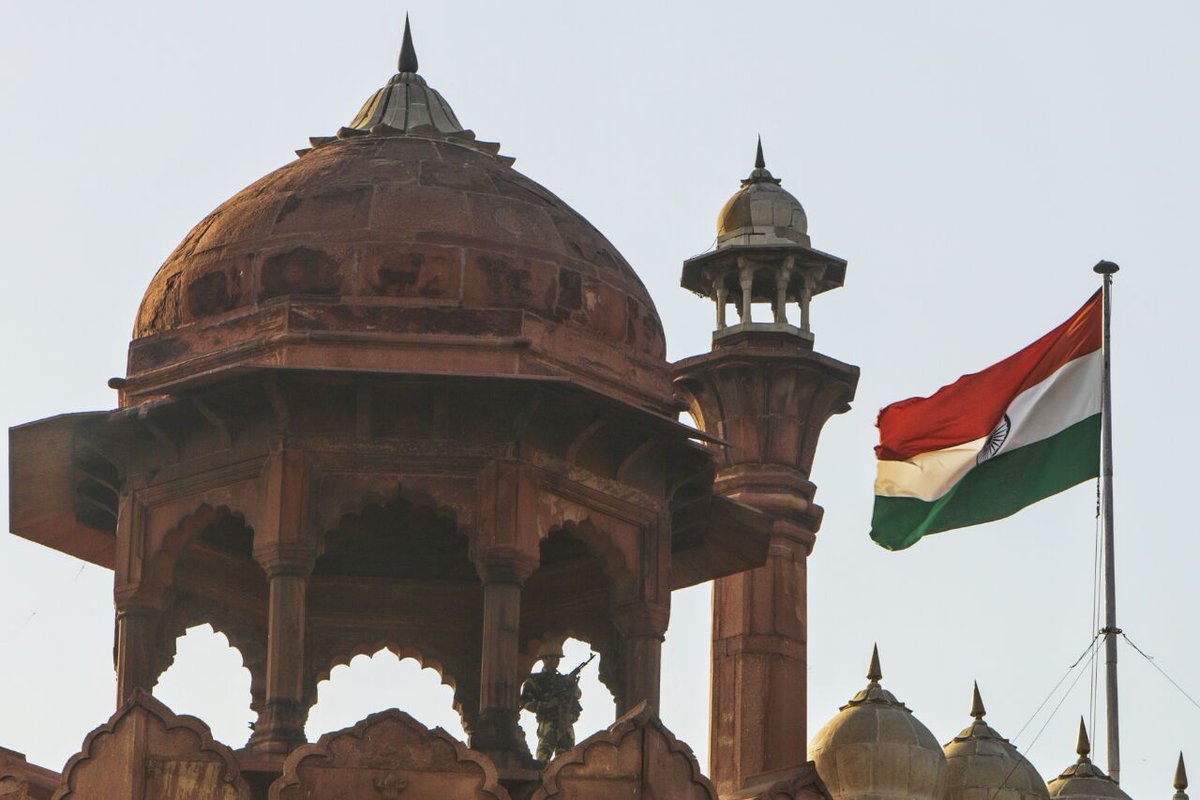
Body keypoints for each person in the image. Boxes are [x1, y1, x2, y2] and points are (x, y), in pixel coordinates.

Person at [520, 643, 591, 762]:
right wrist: (547, 705)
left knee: (567, 761)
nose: (556, 661)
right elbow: (525, 702)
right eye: (553, 657)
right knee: (543, 759)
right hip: (548, 722)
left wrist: (572, 685)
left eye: (558, 658)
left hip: (565, 722)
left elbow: (577, 695)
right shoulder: (535, 680)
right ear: (545, 658)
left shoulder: (563, 680)